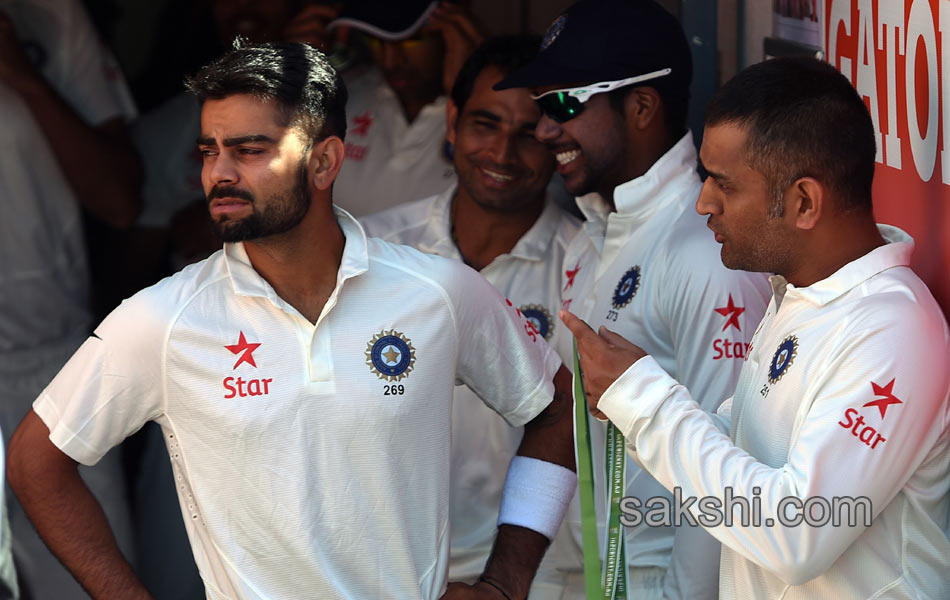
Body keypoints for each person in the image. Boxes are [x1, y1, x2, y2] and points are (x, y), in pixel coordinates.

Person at [6, 40, 577, 600]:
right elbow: (36, 462)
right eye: (209, 150)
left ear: (324, 160)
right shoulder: (163, 318)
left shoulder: (439, 291)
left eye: (250, 150)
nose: (219, 174)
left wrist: (506, 582)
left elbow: (555, 409)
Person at [564, 55, 950, 600]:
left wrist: (646, 401)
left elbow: (797, 533)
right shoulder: (799, 295)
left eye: (723, 185)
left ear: (804, 202)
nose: (704, 203)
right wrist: (636, 400)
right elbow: (748, 463)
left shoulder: (893, 329)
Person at [493, 1, 772, 598]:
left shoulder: (705, 253)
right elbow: (568, 429)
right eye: (544, 107)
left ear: (642, 106)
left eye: (563, 104)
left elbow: (728, 467)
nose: (544, 129)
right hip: (588, 573)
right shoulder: (594, 236)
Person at [360, 36, 580, 598]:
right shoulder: (372, 251)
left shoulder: (589, 267)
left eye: (529, 133)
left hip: (540, 574)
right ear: (452, 122)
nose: (503, 154)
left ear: (556, 139)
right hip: (383, 568)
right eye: (485, 124)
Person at [0, 0, 141, 597]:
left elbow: (120, 200)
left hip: (47, 366)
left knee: (86, 583)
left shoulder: (49, 17)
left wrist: (23, 77)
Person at [327, 0, 484, 216]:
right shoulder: (340, 96)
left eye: (411, 39)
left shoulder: (489, 108)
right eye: (375, 40)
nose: (392, 61)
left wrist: (473, 90)